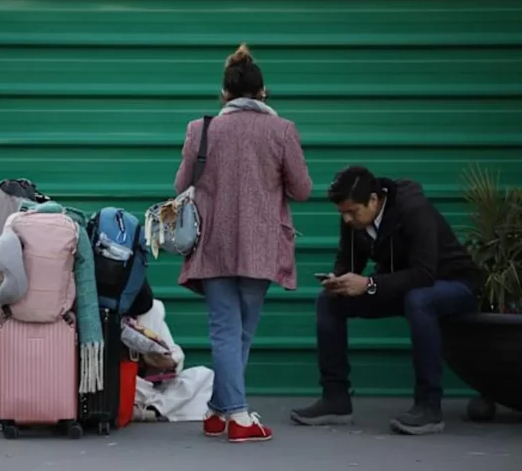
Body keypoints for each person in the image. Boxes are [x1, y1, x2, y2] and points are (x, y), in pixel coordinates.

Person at [173, 43, 313, 442]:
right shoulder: (281, 130)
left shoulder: (200, 129)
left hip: (212, 242)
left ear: (224, 94)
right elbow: (302, 190)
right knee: (240, 332)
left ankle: (219, 410)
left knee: (226, 330)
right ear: (263, 92)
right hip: (261, 244)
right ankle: (237, 416)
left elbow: (180, 185)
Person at [290, 166, 481, 435]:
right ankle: (336, 400)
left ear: (373, 200)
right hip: (403, 287)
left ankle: (429, 407)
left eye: (352, 212)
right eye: (342, 213)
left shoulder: (414, 209)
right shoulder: (354, 217)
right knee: (328, 302)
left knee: (419, 300)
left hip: (454, 284)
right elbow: (349, 261)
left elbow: (424, 274)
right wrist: (338, 280)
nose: (346, 219)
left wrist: (369, 283)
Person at [130, 298, 214, 423]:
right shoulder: (110, 317)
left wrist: (170, 362)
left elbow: (175, 352)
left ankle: (154, 410)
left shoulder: (154, 310)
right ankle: (152, 410)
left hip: (159, 388)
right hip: (133, 386)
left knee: (205, 375)